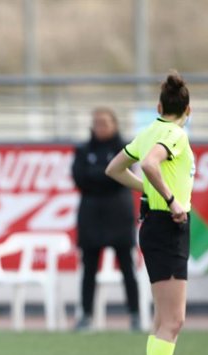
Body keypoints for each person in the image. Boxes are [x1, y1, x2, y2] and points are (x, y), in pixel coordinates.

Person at [105, 71, 194, 355]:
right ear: (188, 109)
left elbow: (115, 168)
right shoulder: (175, 134)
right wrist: (171, 200)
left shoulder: (149, 131)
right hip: (169, 226)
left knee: (164, 320)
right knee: (174, 319)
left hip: (154, 225)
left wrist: (149, 190)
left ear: (159, 105)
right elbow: (150, 163)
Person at [71, 107, 140, 331]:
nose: (100, 126)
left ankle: (135, 314)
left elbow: (123, 177)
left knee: (127, 267)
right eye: (96, 122)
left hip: (118, 214)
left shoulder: (126, 149)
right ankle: (86, 316)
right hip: (90, 215)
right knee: (89, 268)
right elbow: (80, 178)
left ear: (114, 124)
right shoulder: (83, 150)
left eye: (105, 122)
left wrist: (99, 175)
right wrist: (108, 173)